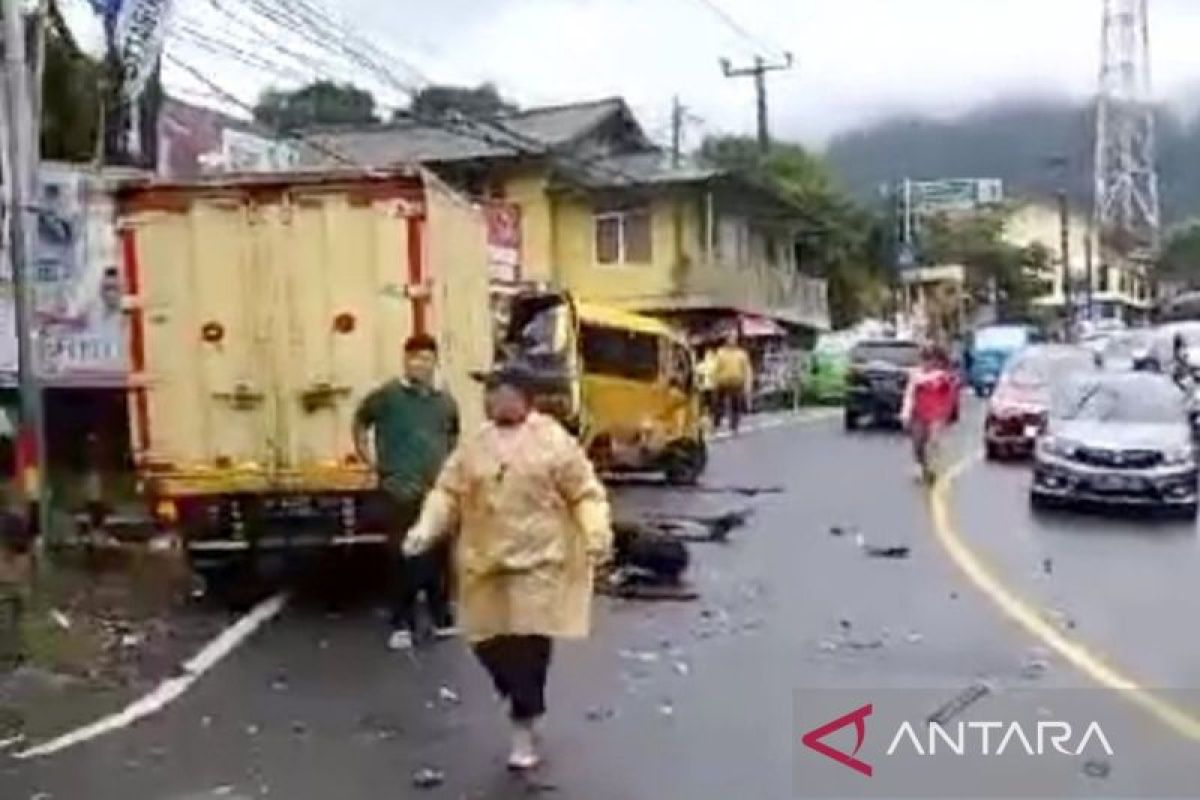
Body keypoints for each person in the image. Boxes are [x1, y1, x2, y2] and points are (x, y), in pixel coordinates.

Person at [402, 364, 613, 770]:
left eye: (501, 392)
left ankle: (524, 727)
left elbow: (586, 493)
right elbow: (447, 492)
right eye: (489, 393)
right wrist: (425, 529)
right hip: (484, 562)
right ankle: (518, 698)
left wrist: (596, 533)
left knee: (527, 647)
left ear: (524, 397)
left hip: (539, 563)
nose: (493, 400)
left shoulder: (553, 442)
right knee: (488, 644)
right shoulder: (474, 446)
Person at [353, 334, 459, 651]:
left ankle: (441, 619)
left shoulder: (444, 402)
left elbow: (453, 435)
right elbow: (361, 421)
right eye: (414, 358)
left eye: (426, 359)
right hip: (399, 489)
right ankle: (401, 623)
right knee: (404, 557)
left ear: (434, 362)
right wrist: (368, 458)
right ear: (405, 360)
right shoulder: (387, 396)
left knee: (437, 556)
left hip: (435, 492)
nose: (419, 364)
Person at [901, 344, 958, 484]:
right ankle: (921, 466)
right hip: (919, 414)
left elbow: (952, 395)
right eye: (925, 359)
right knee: (918, 443)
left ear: (937, 361)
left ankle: (932, 469)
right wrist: (905, 414)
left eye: (931, 359)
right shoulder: (915, 376)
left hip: (937, 415)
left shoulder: (944, 377)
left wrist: (950, 414)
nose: (928, 363)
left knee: (933, 442)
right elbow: (909, 395)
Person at [711, 331, 754, 435]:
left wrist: (748, 384)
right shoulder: (721, 352)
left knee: (736, 405)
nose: (732, 340)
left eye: (734, 338)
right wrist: (714, 381)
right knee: (718, 405)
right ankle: (716, 425)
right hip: (722, 382)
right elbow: (716, 368)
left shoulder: (742, 354)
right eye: (730, 338)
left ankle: (734, 426)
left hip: (737, 382)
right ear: (726, 340)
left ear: (736, 341)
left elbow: (747, 370)